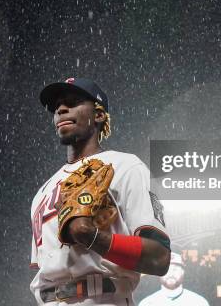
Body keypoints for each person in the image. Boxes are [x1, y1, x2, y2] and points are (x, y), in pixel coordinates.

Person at [30, 77, 171, 305]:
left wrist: (91, 236)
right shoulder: (42, 192)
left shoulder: (126, 166)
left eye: (73, 102)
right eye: (57, 107)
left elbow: (159, 257)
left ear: (99, 115)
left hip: (103, 298)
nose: (61, 110)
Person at [138, 253, 210, 306]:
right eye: (167, 269)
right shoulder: (146, 303)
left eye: (175, 269)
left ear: (183, 272)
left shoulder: (199, 303)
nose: (171, 273)